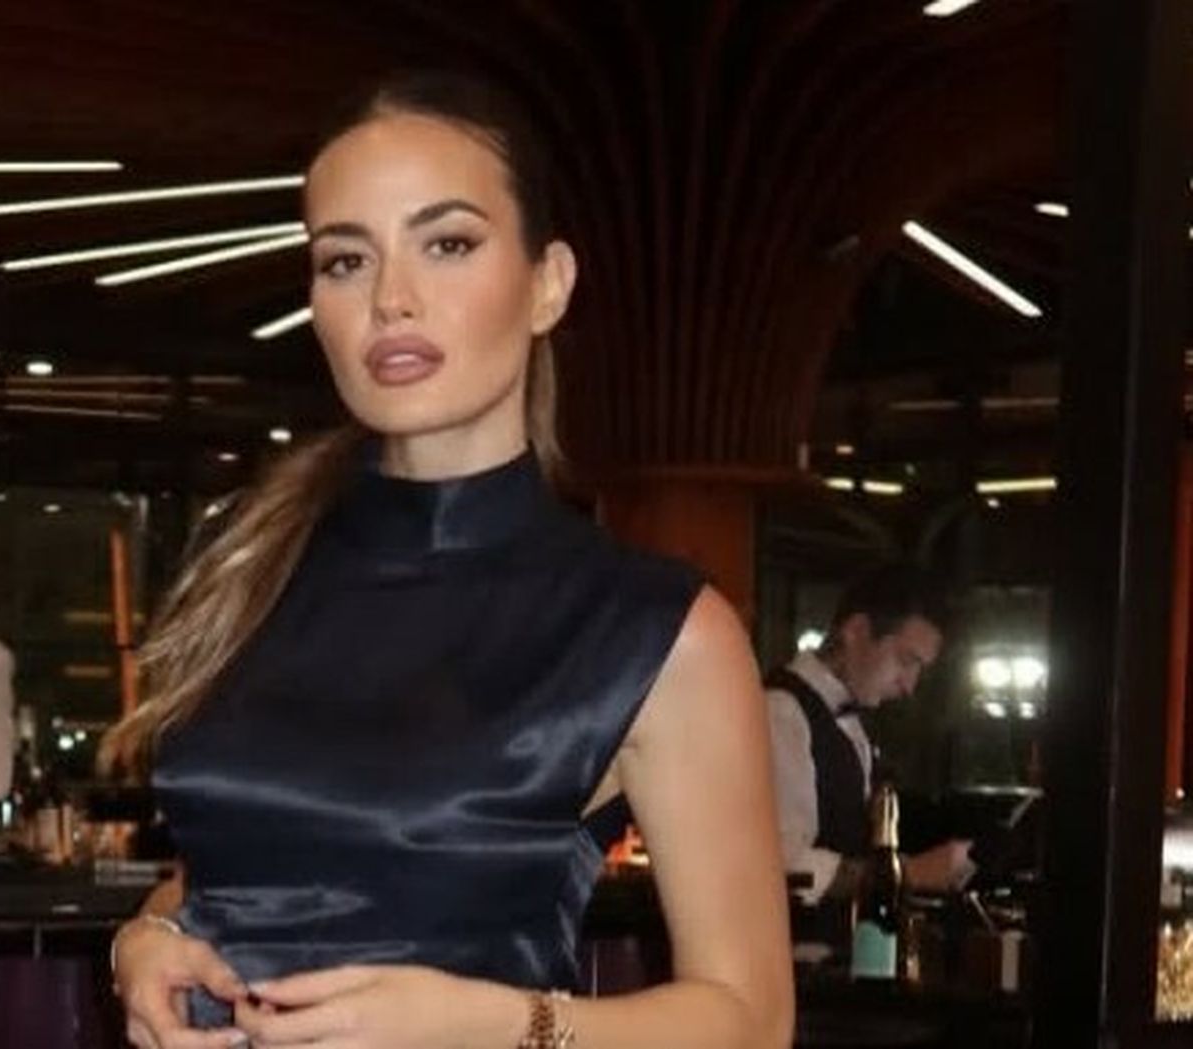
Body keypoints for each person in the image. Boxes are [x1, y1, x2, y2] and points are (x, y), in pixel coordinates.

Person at [103, 71, 793, 1049]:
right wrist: (147, 937)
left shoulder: (652, 627)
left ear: (548, 283)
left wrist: (494, 1022)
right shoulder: (250, 563)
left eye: (448, 244)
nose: (392, 299)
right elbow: (263, 867)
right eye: (346, 260)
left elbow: (752, 1020)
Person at [766, 565, 973, 919]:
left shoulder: (847, 718)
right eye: (906, 660)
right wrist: (911, 873)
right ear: (857, 631)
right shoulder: (781, 712)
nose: (909, 686)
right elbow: (783, 864)